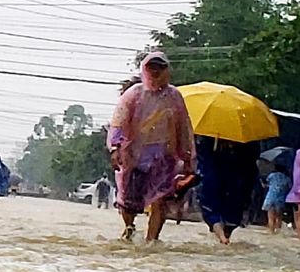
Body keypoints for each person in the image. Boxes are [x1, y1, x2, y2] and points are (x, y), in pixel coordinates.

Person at [109, 50, 196, 242]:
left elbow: (184, 127)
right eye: (152, 67)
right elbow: (119, 121)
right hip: (134, 156)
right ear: (145, 69)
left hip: (164, 156)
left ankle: (152, 240)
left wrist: (188, 156)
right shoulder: (134, 94)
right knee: (128, 202)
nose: (156, 72)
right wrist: (115, 148)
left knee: (160, 198)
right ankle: (129, 227)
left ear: (167, 70)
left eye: (161, 67)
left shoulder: (174, 97)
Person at [195, 134, 256, 245]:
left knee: (213, 208)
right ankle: (224, 236)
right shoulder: (248, 138)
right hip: (234, 179)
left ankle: (222, 236)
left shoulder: (209, 136)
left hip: (223, 177)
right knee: (231, 210)